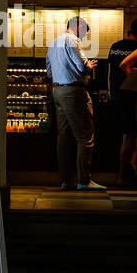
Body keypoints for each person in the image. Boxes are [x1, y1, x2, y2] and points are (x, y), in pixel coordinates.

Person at [45, 16, 105, 192]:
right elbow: (81, 66)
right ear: (78, 26)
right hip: (74, 91)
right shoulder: (73, 40)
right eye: (85, 31)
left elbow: (49, 71)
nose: (85, 36)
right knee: (85, 136)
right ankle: (84, 180)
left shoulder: (53, 42)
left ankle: (66, 180)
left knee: (63, 137)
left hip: (57, 91)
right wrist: (90, 65)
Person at [106, 17, 137, 189]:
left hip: (115, 95)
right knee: (132, 135)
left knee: (128, 135)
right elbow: (128, 67)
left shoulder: (115, 46)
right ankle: (125, 174)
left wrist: (111, 93)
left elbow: (109, 73)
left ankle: (129, 171)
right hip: (131, 95)